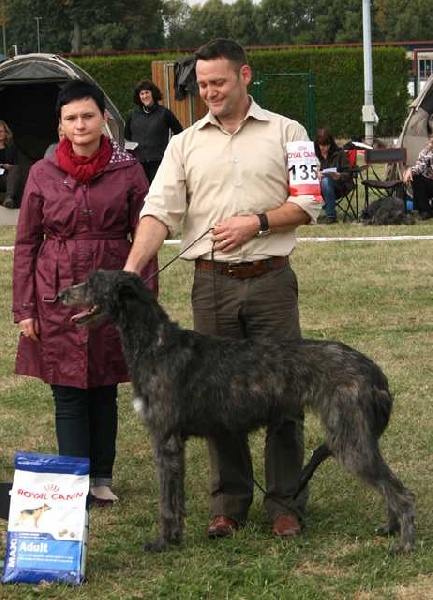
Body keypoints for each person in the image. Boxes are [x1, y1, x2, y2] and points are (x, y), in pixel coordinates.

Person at [124, 38, 322, 539]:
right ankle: (228, 504)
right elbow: (158, 212)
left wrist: (256, 222)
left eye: (218, 82)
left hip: (271, 281)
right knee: (215, 398)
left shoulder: (289, 132)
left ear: (244, 75)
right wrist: (131, 269)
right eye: (202, 84)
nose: (208, 92)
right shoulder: (184, 144)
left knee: (285, 393)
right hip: (212, 285)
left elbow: (308, 202)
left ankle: (285, 503)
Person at [12, 80, 158, 505]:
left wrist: (143, 301)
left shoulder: (128, 169)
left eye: (88, 116)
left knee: (104, 385)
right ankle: (74, 485)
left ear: (104, 118)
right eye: (71, 118)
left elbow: (145, 235)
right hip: (57, 289)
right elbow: (26, 243)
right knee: (67, 389)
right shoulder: (42, 173)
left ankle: (102, 478)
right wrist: (25, 308)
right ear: (60, 124)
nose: (80, 125)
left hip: (111, 286)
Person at [124, 79, 183, 183]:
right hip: (139, 164)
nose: (145, 96)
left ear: (153, 93)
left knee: (159, 191)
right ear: (139, 96)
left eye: (147, 92)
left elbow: (180, 133)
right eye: (142, 93)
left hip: (159, 163)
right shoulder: (133, 115)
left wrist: (171, 151)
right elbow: (127, 136)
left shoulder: (164, 113)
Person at [314, 127, 354, 224]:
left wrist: (339, 175)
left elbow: (349, 173)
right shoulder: (312, 154)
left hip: (338, 186)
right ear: (317, 144)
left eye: (326, 145)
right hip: (316, 186)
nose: (324, 148)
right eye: (321, 145)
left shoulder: (340, 154)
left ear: (331, 143)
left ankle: (331, 216)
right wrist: (315, 174)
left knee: (326, 181)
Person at [403, 134, 433, 219]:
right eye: (431, 141)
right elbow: (419, 167)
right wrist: (410, 171)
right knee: (416, 177)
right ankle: (425, 210)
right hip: (430, 182)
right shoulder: (426, 152)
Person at [0, 119, 22, 209]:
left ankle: (9, 198)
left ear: (6, 133)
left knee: (16, 168)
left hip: (6, 179)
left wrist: (9, 167)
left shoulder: (12, 149)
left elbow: (16, 166)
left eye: (1, 131)